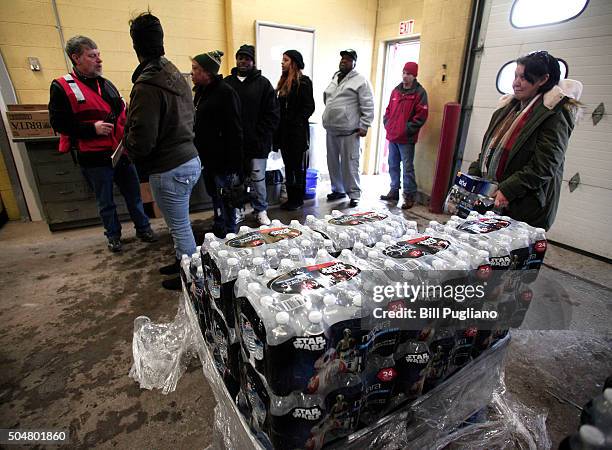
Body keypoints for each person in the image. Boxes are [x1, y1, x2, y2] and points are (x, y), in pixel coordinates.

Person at [49, 36, 156, 253]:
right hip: (94, 157)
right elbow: (58, 123)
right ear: (76, 58)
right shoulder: (62, 87)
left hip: (121, 153)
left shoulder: (106, 84)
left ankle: (143, 228)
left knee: (134, 195)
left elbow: (123, 116)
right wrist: (92, 129)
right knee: (106, 201)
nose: (99, 60)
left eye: (99, 55)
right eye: (92, 56)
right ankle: (113, 236)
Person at [124, 12, 201, 290]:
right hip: (189, 159)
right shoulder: (174, 74)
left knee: (179, 226)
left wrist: (129, 148)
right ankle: (183, 260)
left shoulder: (147, 86)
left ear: (136, 46)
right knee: (179, 224)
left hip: (169, 166)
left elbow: (143, 138)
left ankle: (192, 279)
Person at [468, 50, 582, 230]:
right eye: (515, 76)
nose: (516, 83)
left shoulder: (554, 113)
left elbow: (545, 164)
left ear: (543, 80)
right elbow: (489, 150)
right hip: (494, 200)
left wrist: (508, 189)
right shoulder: (509, 108)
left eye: (523, 77)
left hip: (524, 207)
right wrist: (474, 174)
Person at [225, 44, 280, 225]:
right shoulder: (227, 83)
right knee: (235, 179)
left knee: (258, 178)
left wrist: (260, 136)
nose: (243, 61)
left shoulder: (263, 84)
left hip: (257, 143)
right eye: (240, 57)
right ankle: (238, 209)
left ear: (253, 61)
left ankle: (260, 210)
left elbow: (272, 113)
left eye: (247, 58)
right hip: (234, 144)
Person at [191, 50, 243, 237]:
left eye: (195, 69)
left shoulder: (225, 93)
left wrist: (235, 163)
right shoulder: (200, 93)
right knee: (214, 194)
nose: (192, 73)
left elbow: (235, 130)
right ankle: (219, 221)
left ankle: (230, 230)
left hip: (223, 158)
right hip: (206, 156)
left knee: (226, 195)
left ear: (208, 72)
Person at [322, 49, 374, 208]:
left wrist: (365, 124)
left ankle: (354, 194)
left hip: (350, 131)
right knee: (333, 163)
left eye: (348, 59)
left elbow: (368, 104)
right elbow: (328, 98)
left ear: (354, 62)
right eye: (342, 58)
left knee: (350, 163)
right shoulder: (335, 77)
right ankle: (338, 190)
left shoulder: (360, 80)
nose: (344, 61)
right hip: (331, 129)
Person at [380, 61, 428, 209]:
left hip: (406, 138)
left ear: (414, 76)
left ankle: (409, 196)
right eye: (404, 73)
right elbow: (388, 110)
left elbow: (421, 115)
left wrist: (407, 129)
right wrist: (387, 123)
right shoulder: (396, 91)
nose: (405, 76)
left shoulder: (420, 93)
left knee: (407, 168)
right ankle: (394, 191)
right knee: (393, 165)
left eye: (409, 74)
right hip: (393, 136)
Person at [274, 50, 315, 210]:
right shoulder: (283, 82)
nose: (282, 63)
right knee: (288, 166)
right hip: (284, 132)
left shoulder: (304, 82)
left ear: (294, 63)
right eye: (282, 60)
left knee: (297, 167)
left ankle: (297, 199)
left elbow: (309, 107)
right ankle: (291, 198)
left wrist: (295, 121)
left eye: (285, 60)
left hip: (297, 133)